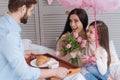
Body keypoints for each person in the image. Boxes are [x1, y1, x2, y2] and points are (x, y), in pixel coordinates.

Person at [0, 0, 69, 80]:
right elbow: (24, 73)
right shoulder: (10, 34)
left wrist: (21, 53)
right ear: (23, 9)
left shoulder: (3, 24)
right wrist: (55, 72)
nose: (30, 14)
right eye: (31, 10)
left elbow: (5, 51)